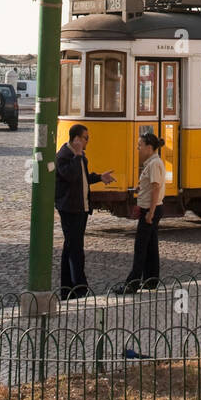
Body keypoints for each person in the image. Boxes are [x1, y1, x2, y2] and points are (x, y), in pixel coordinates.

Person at [54, 123, 114, 299]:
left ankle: (67, 289)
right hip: (70, 209)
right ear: (77, 139)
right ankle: (80, 288)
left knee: (70, 248)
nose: (88, 142)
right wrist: (78, 155)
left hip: (81, 208)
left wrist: (99, 177)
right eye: (86, 138)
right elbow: (71, 176)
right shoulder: (64, 156)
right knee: (75, 249)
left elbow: (83, 177)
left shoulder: (79, 157)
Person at [117, 131, 166, 293]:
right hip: (150, 208)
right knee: (151, 246)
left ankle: (132, 284)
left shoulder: (154, 164)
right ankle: (151, 280)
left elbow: (156, 188)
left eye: (140, 145)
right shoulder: (152, 163)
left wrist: (150, 213)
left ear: (149, 147)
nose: (138, 148)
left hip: (150, 209)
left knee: (141, 247)